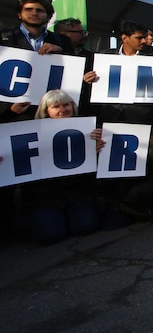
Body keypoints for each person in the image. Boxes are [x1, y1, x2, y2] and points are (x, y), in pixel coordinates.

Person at [19, 90, 103, 244]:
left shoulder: (87, 129)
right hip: (45, 197)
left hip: (77, 192)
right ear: (46, 111)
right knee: (51, 236)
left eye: (66, 105)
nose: (62, 110)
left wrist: (96, 150)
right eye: (56, 106)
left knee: (85, 227)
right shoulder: (31, 131)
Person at [94, 20, 153, 126]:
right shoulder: (105, 56)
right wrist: (88, 79)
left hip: (140, 116)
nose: (143, 41)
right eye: (139, 38)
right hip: (110, 114)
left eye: (144, 37)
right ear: (125, 38)